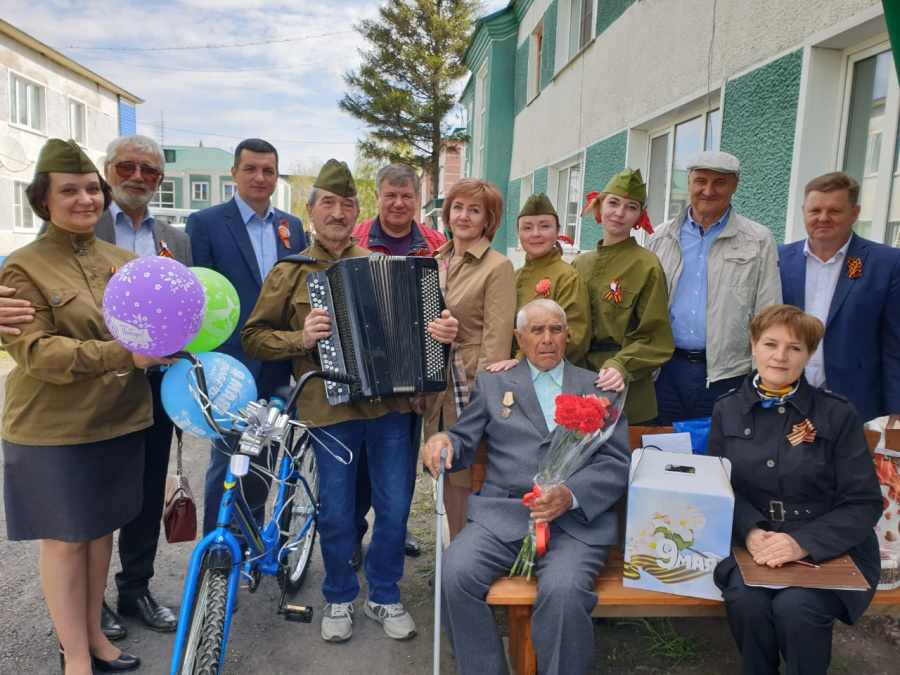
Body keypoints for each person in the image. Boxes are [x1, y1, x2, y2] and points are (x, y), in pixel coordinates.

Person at [242, 160, 457, 643]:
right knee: (336, 512)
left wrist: (441, 336)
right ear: (311, 211)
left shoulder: (384, 264)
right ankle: (339, 596)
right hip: (328, 412)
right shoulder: (289, 272)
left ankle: (383, 594)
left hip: (390, 410)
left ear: (356, 210)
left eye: (346, 204)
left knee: (396, 507)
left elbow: (423, 330)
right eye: (328, 204)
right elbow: (254, 338)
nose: (337, 213)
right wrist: (299, 339)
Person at [0, 135, 189, 636]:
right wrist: (125, 352)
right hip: (65, 414)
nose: (138, 177)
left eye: (150, 171)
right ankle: (85, 625)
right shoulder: (30, 259)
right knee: (70, 534)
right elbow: (37, 343)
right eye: (127, 167)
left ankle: (133, 591)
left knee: (133, 504)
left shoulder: (169, 238)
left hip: (137, 398)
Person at [422, 299, 631, 675]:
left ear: (568, 336)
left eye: (556, 329)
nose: (547, 339)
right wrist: (444, 441)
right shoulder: (494, 382)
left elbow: (617, 463)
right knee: (452, 575)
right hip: (503, 516)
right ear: (519, 337)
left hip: (576, 524)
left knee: (564, 594)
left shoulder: (597, 388)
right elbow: (464, 439)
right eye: (537, 330)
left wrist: (570, 495)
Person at [707, 305, 883, 675]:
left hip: (828, 546)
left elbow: (863, 502)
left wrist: (802, 542)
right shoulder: (728, 410)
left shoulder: (836, 413)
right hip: (753, 544)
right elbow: (717, 486)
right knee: (746, 601)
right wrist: (751, 531)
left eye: (795, 348)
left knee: (797, 607)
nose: (780, 356)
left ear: (810, 354)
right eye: (770, 343)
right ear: (753, 346)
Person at [185, 138, 307, 536]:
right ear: (235, 174)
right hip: (230, 365)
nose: (259, 177)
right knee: (226, 463)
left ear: (276, 177)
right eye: (251, 169)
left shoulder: (291, 227)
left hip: (277, 363)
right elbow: (199, 298)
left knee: (264, 459)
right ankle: (218, 559)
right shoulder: (205, 224)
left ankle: (251, 546)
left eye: (268, 170)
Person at [350, 163, 449, 563]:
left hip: (413, 372)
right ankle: (355, 533)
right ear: (377, 197)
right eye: (390, 195)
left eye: (407, 196)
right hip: (365, 368)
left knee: (402, 463)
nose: (398, 203)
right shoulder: (355, 239)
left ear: (418, 198)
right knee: (357, 465)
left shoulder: (436, 243)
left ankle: (396, 529)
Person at [646, 151, 781, 424]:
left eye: (720, 182)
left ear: (734, 187)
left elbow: (769, 312)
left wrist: (764, 377)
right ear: (689, 184)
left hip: (727, 375)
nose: (708, 190)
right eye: (701, 181)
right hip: (664, 372)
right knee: (661, 454)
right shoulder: (660, 237)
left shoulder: (758, 240)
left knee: (720, 458)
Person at [423, 178, 517, 541]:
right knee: (446, 474)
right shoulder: (437, 260)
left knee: (468, 480)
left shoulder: (497, 266)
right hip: (437, 386)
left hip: (468, 387)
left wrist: (482, 406)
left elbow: (496, 345)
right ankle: (454, 553)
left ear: (487, 220)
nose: (463, 216)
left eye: (474, 210)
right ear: (447, 213)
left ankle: (465, 561)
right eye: (458, 207)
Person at [779, 171, 900, 427]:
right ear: (804, 211)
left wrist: (896, 408)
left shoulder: (886, 264)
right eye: (816, 210)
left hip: (856, 402)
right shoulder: (779, 260)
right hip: (786, 394)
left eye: (835, 211)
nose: (823, 218)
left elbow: (895, 342)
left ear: (854, 213)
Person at [573, 169, 674, 424]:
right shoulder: (579, 264)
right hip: (578, 383)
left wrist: (622, 366)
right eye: (613, 203)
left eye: (631, 207)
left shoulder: (647, 266)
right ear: (599, 206)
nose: (619, 213)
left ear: (640, 216)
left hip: (628, 394)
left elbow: (656, 338)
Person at [487, 194, 590, 370]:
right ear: (518, 233)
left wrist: (520, 361)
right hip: (509, 373)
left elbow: (574, 339)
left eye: (544, 226)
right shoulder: (513, 276)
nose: (535, 234)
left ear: (557, 231)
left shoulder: (567, 278)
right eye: (527, 228)